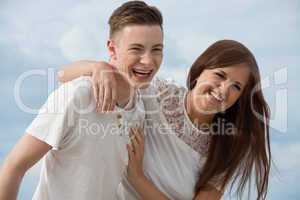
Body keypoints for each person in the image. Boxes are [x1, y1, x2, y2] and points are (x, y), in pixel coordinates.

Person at [59, 40, 271, 200]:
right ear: (199, 71)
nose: (224, 89)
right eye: (220, 75)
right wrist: (99, 68)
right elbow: (64, 75)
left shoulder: (228, 145)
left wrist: (137, 178)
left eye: (236, 87)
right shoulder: (157, 94)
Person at [0, 1, 164, 200]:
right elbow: (13, 167)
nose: (148, 61)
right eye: (136, 49)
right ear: (112, 50)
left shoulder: (140, 105)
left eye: (156, 49)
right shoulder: (77, 95)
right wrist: (96, 67)